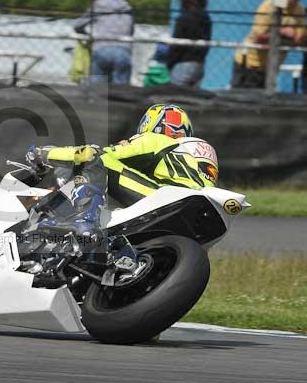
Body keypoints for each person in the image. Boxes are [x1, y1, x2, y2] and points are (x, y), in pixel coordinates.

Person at [25, 104, 218, 268]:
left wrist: (45, 154)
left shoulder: (158, 139)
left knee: (96, 157)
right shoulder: (193, 157)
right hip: (193, 220)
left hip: (161, 198)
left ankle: (85, 221)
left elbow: (99, 154)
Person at [232, 0, 307, 89]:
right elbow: (258, 39)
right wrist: (283, 32)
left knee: (265, 102)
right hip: (251, 65)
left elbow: (299, 39)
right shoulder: (270, 6)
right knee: (244, 99)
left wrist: (281, 40)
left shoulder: (299, 9)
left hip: (271, 68)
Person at [73, 0, 134, 85]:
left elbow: (78, 25)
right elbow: (131, 31)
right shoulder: (127, 7)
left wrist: (87, 35)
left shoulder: (97, 5)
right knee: (123, 94)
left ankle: (98, 99)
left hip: (101, 48)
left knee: (97, 92)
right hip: (123, 49)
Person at [167, 0, 212, 88]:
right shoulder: (206, 18)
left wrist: (169, 62)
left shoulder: (183, 18)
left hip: (183, 64)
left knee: (176, 98)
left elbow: (176, 45)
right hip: (199, 64)